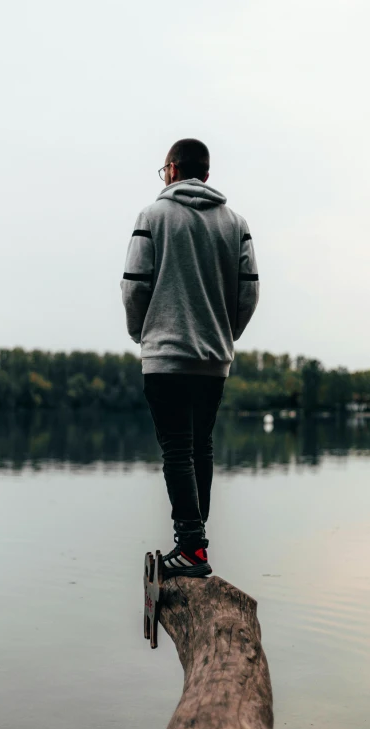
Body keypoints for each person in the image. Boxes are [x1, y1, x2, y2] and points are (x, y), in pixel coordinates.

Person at [120, 138, 259, 577]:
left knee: (177, 448)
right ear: (207, 175)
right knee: (201, 446)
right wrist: (225, 334)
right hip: (213, 359)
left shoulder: (153, 216)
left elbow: (134, 285)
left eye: (164, 172)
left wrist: (142, 334)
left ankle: (192, 546)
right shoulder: (236, 224)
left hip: (166, 356)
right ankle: (194, 543)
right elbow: (250, 291)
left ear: (173, 170)